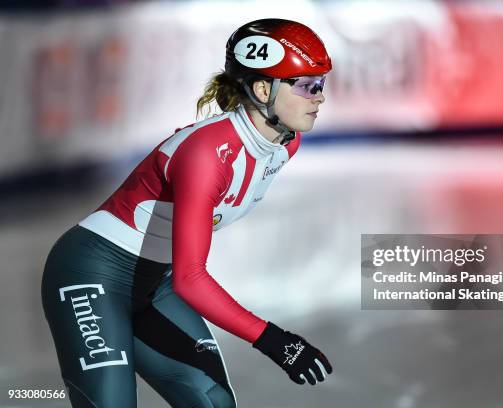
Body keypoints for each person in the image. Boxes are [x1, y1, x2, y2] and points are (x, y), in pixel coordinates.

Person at [41, 18, 333, 408]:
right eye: (306, 86)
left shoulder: (283, 145)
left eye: (321, 84)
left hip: (153, 285)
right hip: (92, 275)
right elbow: (191, 279)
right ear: (263, 88)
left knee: (212, 402)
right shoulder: (206, 155)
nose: (319, 97)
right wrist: (274, 341)